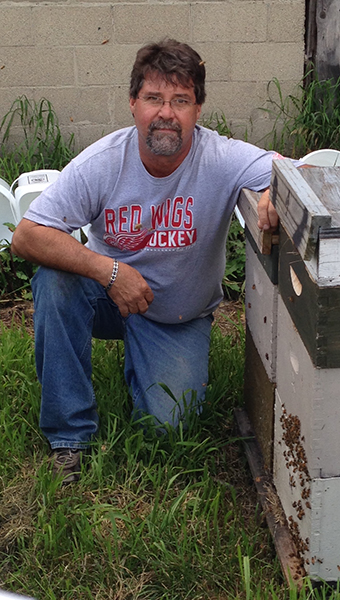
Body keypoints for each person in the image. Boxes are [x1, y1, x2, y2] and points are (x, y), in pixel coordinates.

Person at [11, 39, 283, 483]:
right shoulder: (102, 162)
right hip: (109, 297)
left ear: (198, 109)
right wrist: (110, 271)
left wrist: (278, 190)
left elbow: (304, 172)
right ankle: (69, 438)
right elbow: (27, 236)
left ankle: (146, 360)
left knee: (169, 430)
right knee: (54, 281)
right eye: (154, 98)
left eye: (181, 100)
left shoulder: (223, 158)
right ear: (133, 103)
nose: (166, 112)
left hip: (177, 314)